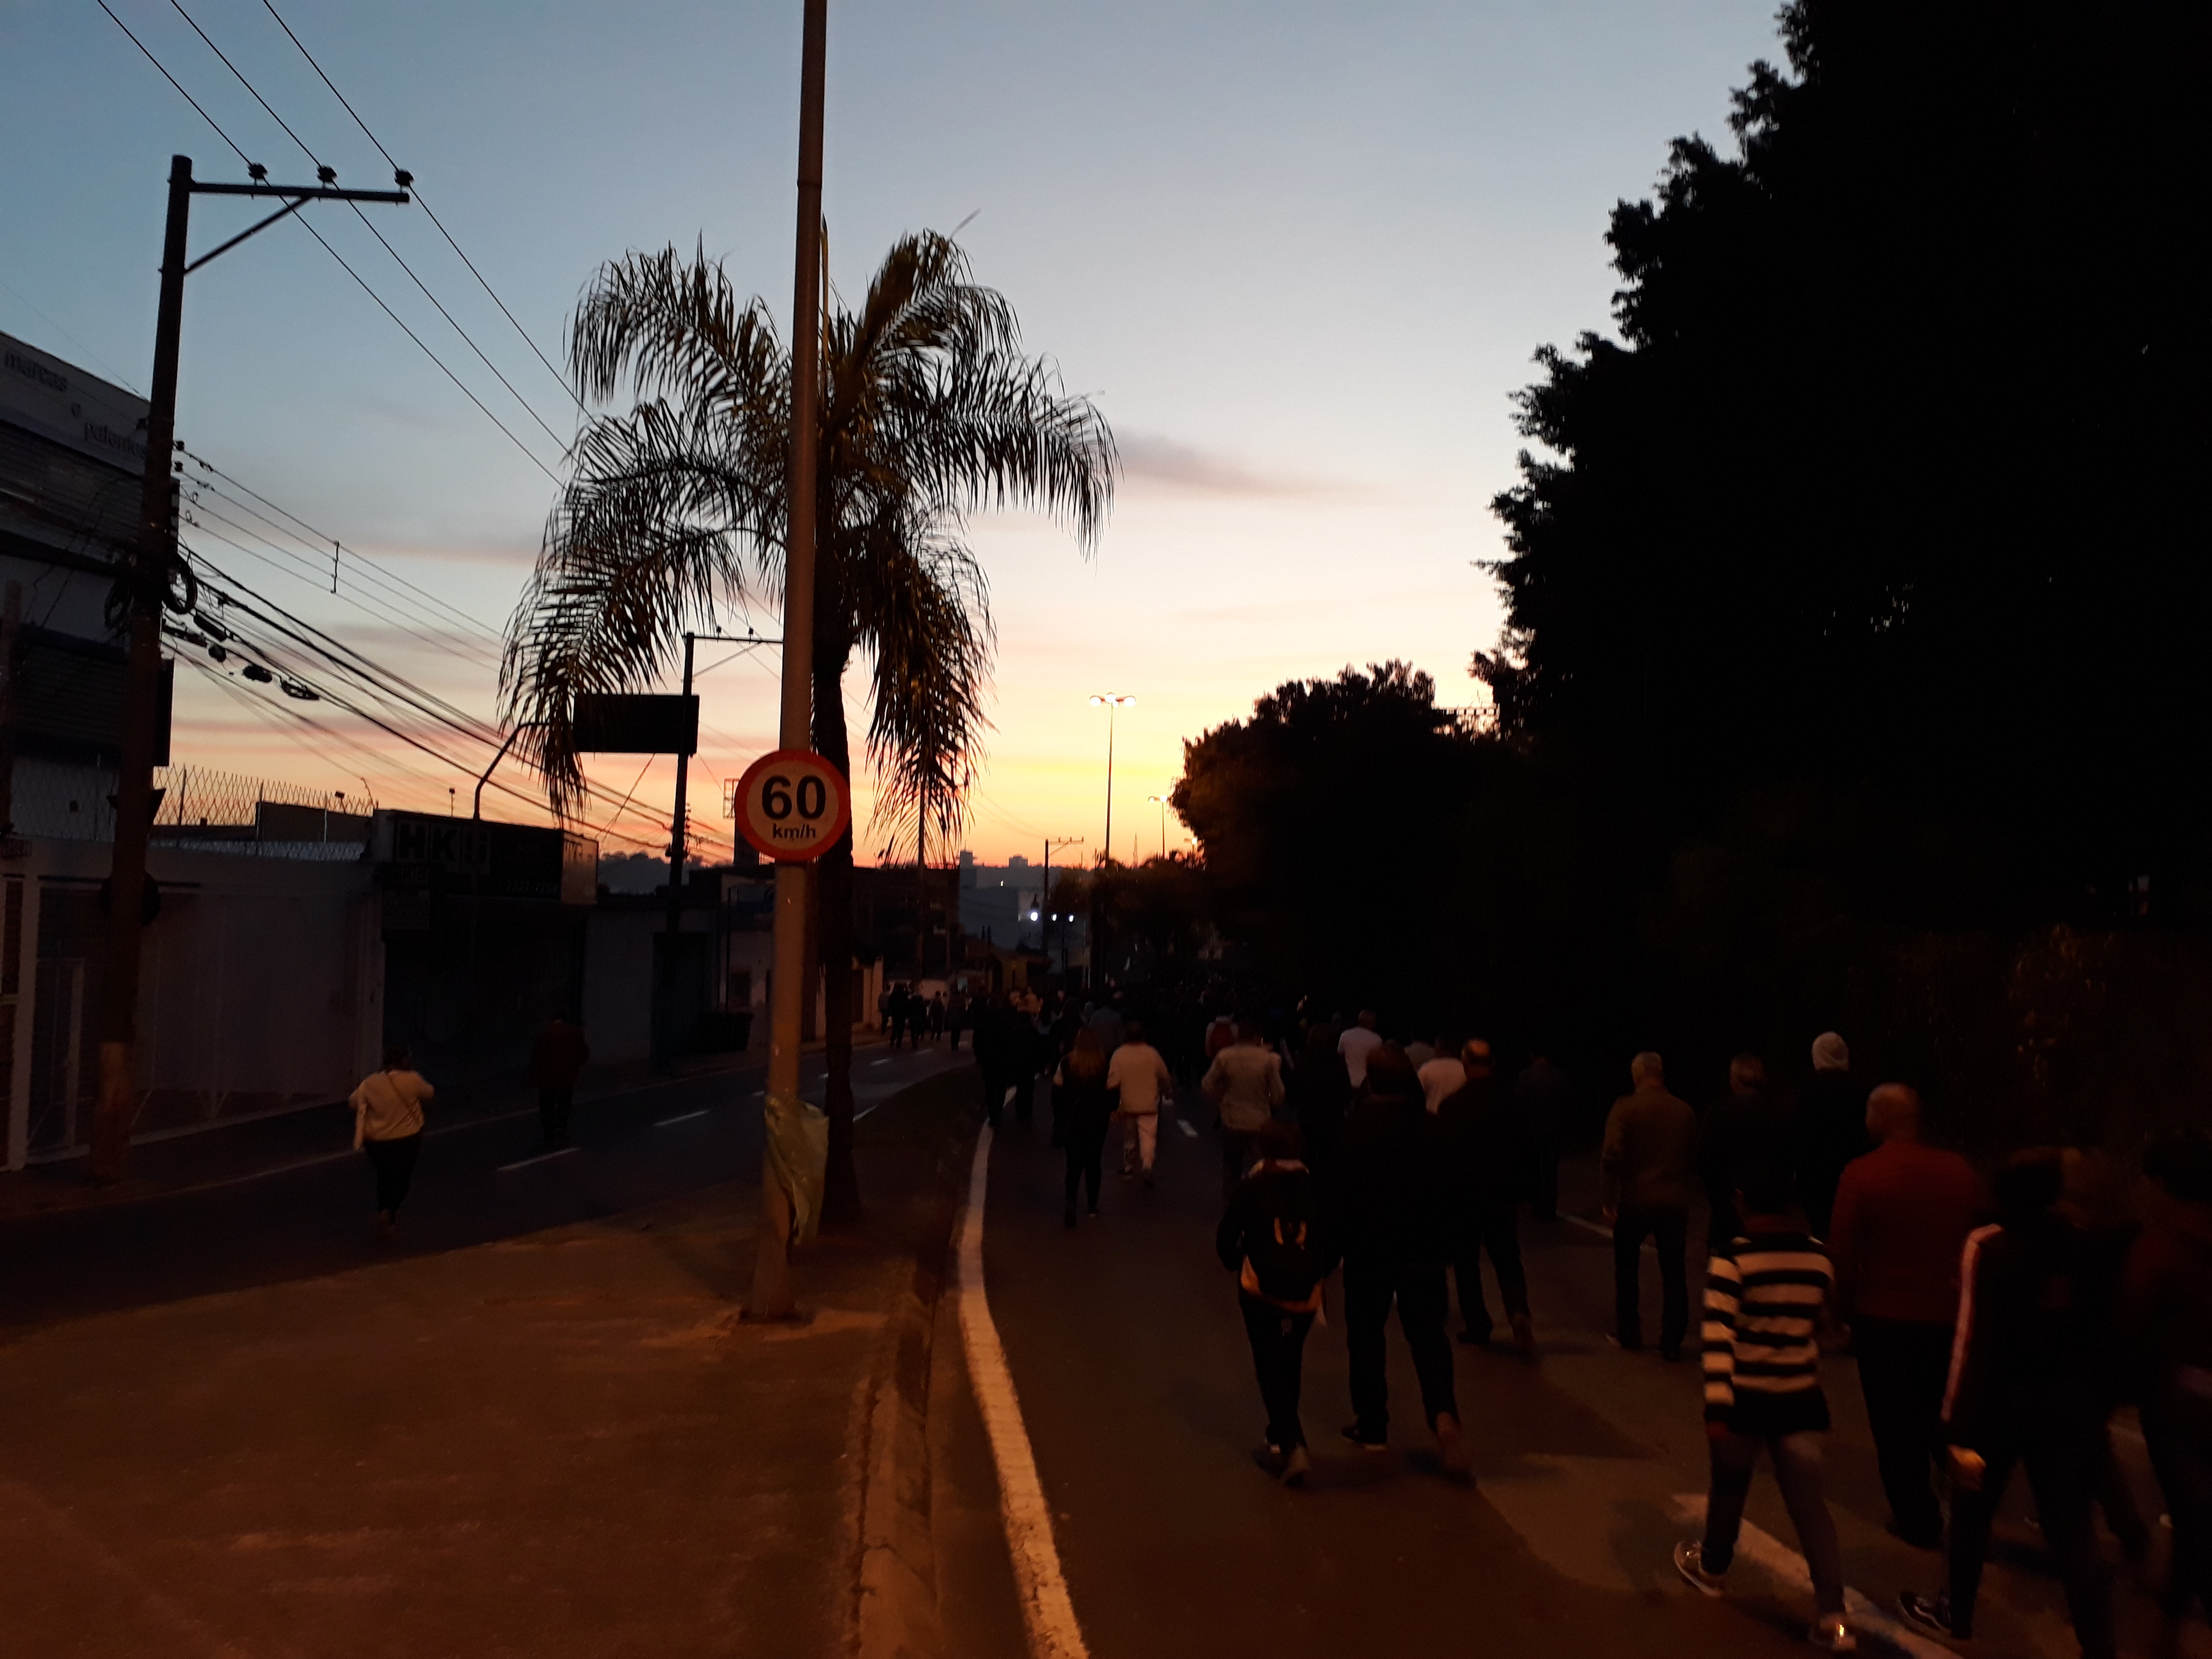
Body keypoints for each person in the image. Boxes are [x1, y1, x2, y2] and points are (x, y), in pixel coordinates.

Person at [1900, 1152, 2116, 1659]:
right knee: (2072, 1532)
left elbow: (1971, 1339)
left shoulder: (1989, 1245)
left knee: (1972, 1514)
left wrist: (1953, 1428)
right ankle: (2099, 1645)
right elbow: (2098, 1332)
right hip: (2064, 1402)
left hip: (1997, 1404)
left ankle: (1956, 1614)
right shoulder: (2084, 1244)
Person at [1673, 1161, 1857, 1654]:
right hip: (1799, 1399)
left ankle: (1713, 1569)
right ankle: (1833, 1617)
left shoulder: (1733, 1260)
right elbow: (1828, 1329)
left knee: (1729, 1489)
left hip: (1747, 1399)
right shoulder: (1818, 1257)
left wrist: (1717, 1408)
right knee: (1811, 1510)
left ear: (1742, 1202)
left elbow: (1719, 1338)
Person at [1827, 1082, 1983, 1549]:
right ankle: (1972, 1502)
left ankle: (1916, 1516)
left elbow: (1843, 1255)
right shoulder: (1959, 1172)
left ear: (1880, 1118)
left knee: (1895, 1423)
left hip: (1884, 1316)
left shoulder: (1862, 1174)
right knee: (1942, 1414)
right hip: (1947, 1316)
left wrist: (1839, 1314)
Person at [1337, 1044, 1468, 1475]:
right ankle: (1444, 1414)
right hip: (1425, 1253)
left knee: (1366, 1336)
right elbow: (1457, 1193)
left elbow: (1340, 1197)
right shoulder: (1438, 1129)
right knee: (1429, 1337)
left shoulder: (1356, 1130)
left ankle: (1373, 1424)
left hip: (1368, 1253)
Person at [2117, 1128, 2212, 1652]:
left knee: (2197, 1525)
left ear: (2162, 1184)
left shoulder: (2161, 1246)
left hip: (2181, 1401)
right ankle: (2164, 1637)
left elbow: (2132, 1322)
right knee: (2192, 1517)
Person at [1216, 1120, 1339, 1486]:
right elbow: (1335, 1242)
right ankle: (1280, 1431)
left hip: (1260, 1290)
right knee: (1290, 1358)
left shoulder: (1252, 1188)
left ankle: (1292, 1441)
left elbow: (1226, 1238)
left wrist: (1238, 1261)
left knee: (1268, 1362)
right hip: (1304, 1292)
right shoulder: (1318, 1190)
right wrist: (1317, 1271)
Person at [1438, 1040, 1535, 1357]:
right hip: (1501, 1196)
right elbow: (1525, 1152)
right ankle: (1518, 1311)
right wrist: (1525, 1192)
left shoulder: (1453, 1106)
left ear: (1466, 1065)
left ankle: (1478, 1324)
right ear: (1493, 1065)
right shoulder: (1512, 1104)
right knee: (1508, 1259)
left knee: (1467, 1264)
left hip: (1464, 1197)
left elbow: (1446, 1158)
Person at [1601, 1051, 1699, 1359]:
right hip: (1673, 1201)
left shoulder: (1625, 1109)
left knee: (1627, 1267)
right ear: (1661, 1075)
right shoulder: (1684, 1111)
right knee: (1674, 1271)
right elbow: (1693, 1157)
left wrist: (1609, 1198)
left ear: (1636, 1076)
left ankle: (1630, 1332)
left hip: (1635, 1199)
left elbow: (1612, 1154)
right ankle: (1672, 1339)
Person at [1701, 1054, 1793, 1251]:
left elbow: (1707, 1159)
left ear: (1735, 1079)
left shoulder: (1720, 1112)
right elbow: (1789, 1156)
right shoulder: (1779, 1110)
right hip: (1772, 1206)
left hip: (1729, 1205)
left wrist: (1719, 1199)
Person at [352, 1044, 432, 1239]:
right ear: (404, 1061)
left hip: (376, 1141)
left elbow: (354, 1102)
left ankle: (383, 1210)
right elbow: (429, 1093)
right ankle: (390, 1212)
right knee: (402, 1178)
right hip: (406, 1138)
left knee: (384, 1177)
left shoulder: (370, 1082)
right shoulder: (412, 1079)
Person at [1202, 1018, 1286, 1201]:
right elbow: (1279, 1094)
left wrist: (1221, 1102)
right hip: (1260, 1119)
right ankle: (1260, 1200)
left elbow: (1208, 1085)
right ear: (1257, 1037)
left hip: (1232, 1118)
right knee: (1260, 1163)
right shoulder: (1266, 1059)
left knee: (1232, 1165)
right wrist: (1270, 1103)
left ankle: (1232, 1202)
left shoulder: (1225, 1056)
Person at [1795, 1033, 1868, 1238]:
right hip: (1854, 1171)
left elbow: (1799, 1136)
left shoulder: (1807, 1093)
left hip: (1816, 1177)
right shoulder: (1862, 1091)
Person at [1055, 1027, 1115, 1226]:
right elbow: (1113, 1095)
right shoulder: (1105, 1065)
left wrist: (1061, 1114)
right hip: (1097, 1122)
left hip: (1073, 1121)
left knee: (1073, 1165)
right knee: (1094, 1163)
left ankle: (1071, 1202)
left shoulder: (1066, 1063)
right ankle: (1092, 1204)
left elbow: (1056, 1093)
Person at [1108, 1017, 1173, 1185]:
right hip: (1149, 1103)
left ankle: (1129, 1166)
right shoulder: (1152, 1053)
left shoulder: (1119, 1054)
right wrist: (1168, 1091)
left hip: (1127, 1103)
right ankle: (1147, 1165)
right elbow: (1164, 1075)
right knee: (1148, 1137)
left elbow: (1112, 1082)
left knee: (1129, 1136)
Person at [1284, 1022, 1351, 1183]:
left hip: (1309, 1118)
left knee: (1310, 1158)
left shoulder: (1303, 1063)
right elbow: (1346, 1093)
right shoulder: (1339, 1064)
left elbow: (1294, 1094)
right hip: (1333, 1119)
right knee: (1330, 1161)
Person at [1513, 1044, 1572, 1221]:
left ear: (1532, 1056)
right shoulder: (1560, 1076)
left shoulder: (1525, 1076)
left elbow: (1519, 1103)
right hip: (1553, 1129)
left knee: (1533, 1168)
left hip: (1531, 1130)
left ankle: (1535, 1204)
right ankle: (1550, 1207)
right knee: (1551, 1169)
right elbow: (1567, 1104)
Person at [528, 1015, 589, 1150]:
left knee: (547, 1105)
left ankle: (548, 1133)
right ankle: (562, 1127)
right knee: (564, 1103)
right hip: (566, 1076)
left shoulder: (544, 1033)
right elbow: (584, 1054)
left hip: (546, 1077)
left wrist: (534, 1076)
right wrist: (574, 1066)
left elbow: (536, 1055)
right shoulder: (574, 1033)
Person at [1417, 1034, 1466, 1115]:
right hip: (1457, 1115)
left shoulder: (1427, 1068)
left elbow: (1418, 1094)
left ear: (1438, 1048)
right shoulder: (1464, 1068)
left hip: (1432, 1114)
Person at [1337, 1008, 1384, 1090]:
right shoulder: (1376, 1039)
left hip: (1348, 1082)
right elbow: (1378, 1063)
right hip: (1367, 1084)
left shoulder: (1345, 1035)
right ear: (1372, 1023)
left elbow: (1340, 1056)